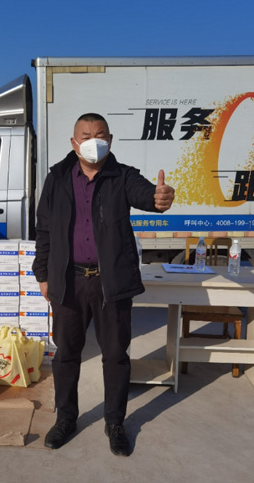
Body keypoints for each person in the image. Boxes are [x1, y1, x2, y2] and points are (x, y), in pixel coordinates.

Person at [32, 113, 175, 456]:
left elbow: (145, 194)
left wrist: (158, 198)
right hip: (69, 281)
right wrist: (43, 274)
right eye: (85, 136)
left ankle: (115, 423)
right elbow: (44, 228)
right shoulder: (57, 178)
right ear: (74, 143)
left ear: (110, 140)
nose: (92, 141)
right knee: (66, 355)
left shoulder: (122, 176)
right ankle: (66, 418)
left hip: (111, 283)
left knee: (115, 356)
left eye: (99, 135)